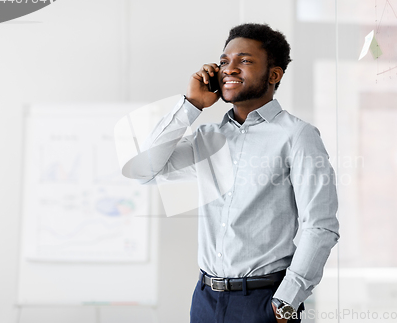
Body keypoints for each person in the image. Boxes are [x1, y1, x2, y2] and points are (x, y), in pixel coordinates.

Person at [124, 23, 339, 323]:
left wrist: (286, 305)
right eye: (224, 61)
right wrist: (191, 105)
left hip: (265, 303)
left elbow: (321, 226)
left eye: (245, 61)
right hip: (204, 300)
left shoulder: (297, 136)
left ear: (274, 75)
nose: (229, 69)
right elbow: (144, 171)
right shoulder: (208, 138)